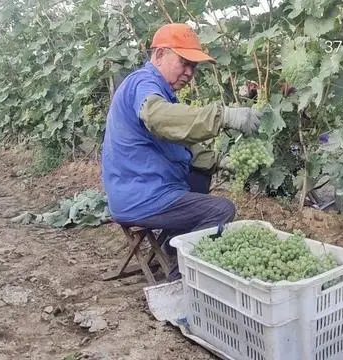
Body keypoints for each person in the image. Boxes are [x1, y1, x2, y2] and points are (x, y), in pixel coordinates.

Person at [101, 23, 262, 280]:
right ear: (160, 54)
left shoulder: (161, 91)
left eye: (193, 67)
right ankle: (181, 278)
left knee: (200, 172)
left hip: (143, 189)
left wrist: (220, 161)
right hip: (141, 197)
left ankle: (175, 245)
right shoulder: (143, 83)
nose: (189, 72)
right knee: (221, 210)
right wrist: (223, 116)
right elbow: (158, 116)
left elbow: (175, 143)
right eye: (184, 63)